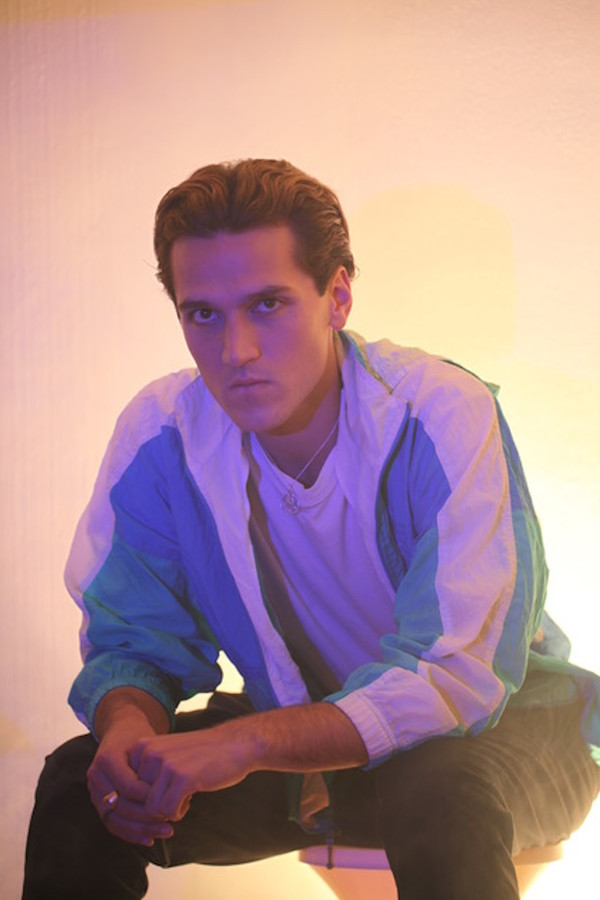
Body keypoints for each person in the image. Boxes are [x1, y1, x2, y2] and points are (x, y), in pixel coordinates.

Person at [23, 159, 600, 899]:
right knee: (79, 783)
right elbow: (134, 642)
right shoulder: (163, 436)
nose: (236, 351)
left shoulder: (438, 413)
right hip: (301, 735)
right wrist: (128, 731)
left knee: (438, 788)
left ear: (338, 296)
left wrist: (248, 742)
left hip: (504, 733)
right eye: (203, 314)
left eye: (267, 304)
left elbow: (456, 674)